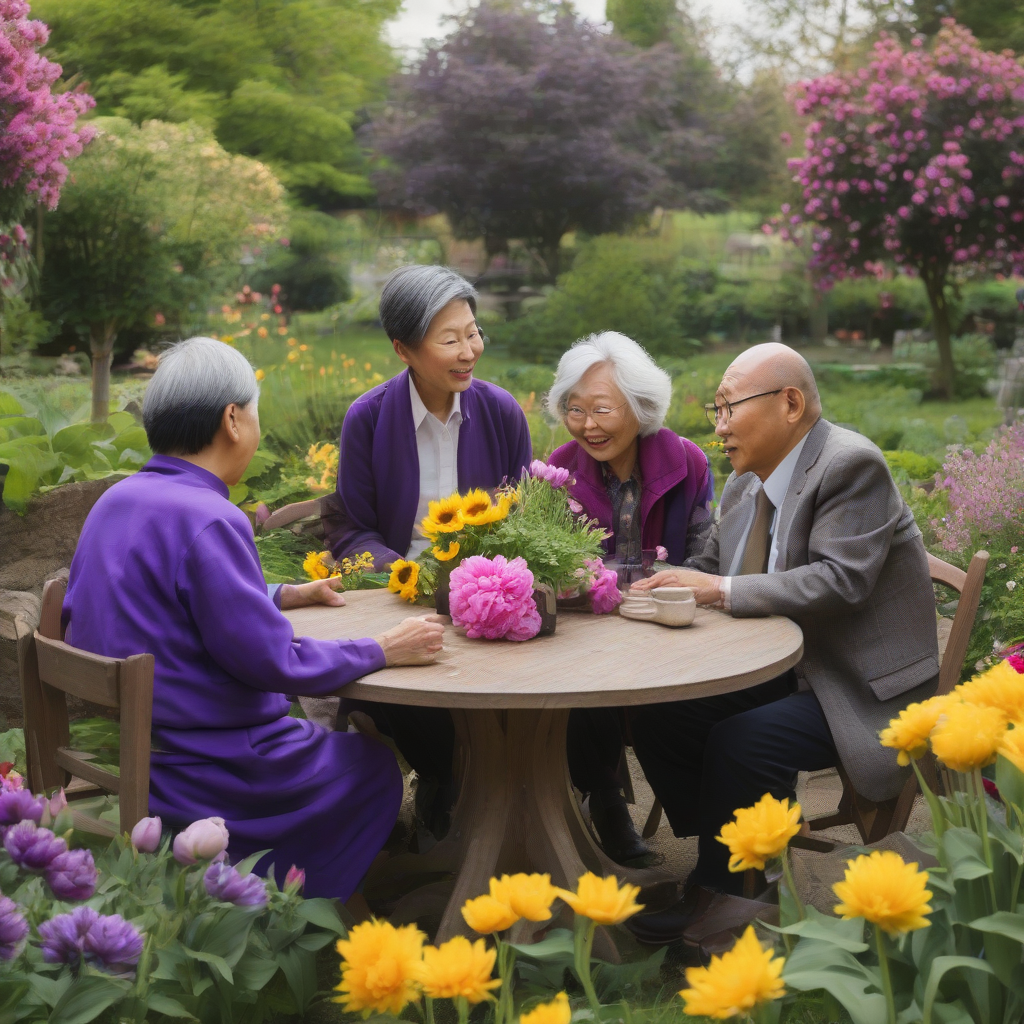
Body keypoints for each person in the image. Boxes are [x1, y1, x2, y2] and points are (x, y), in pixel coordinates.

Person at [63, 337, 445, 900]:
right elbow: (275, 659)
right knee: (369, 767)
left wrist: (279, 592)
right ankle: (287, 905)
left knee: (351, 751)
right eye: (256, 412)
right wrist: (382, 648)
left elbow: (165, 593)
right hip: (212, 764)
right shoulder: (212, 517)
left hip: (144, 748)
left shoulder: (119, 500)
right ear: (233, 419)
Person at [625, 342, 940, 945]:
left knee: (742, 740)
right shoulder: (748, 484)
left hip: (856, 682)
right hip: (783, 670)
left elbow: (839, 581)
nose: (717, 427)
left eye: (727, 409)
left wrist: (715, 589)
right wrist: (653, 585)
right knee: (659, 713)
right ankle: (729, 867)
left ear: (789, 403)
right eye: (716, 412)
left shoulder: (851, 466)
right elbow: (710, 563)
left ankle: (732, 894)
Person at [325, 264, 533, 839]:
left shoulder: (501, 412)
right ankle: (443, 778)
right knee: (396, 683)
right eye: (450, 339)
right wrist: (404, 575)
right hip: (404, 597)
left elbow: (522, 518)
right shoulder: (367, 419)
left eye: (473, 332)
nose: (470, 350)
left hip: (491, 595)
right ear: (404, 349)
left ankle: (537, 796)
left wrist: (489, 581)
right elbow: (351, 530)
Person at [546, 332, 715, 865]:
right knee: (578, 684)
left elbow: (705, 559)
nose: (587, 425)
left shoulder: (687, 462)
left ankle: (706, 817)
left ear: (640, 409)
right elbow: (546, 564)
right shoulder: (558, 468)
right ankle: (606, 802)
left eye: (602, 410)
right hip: (589, 627)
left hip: (666, 623)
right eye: (574, 410)